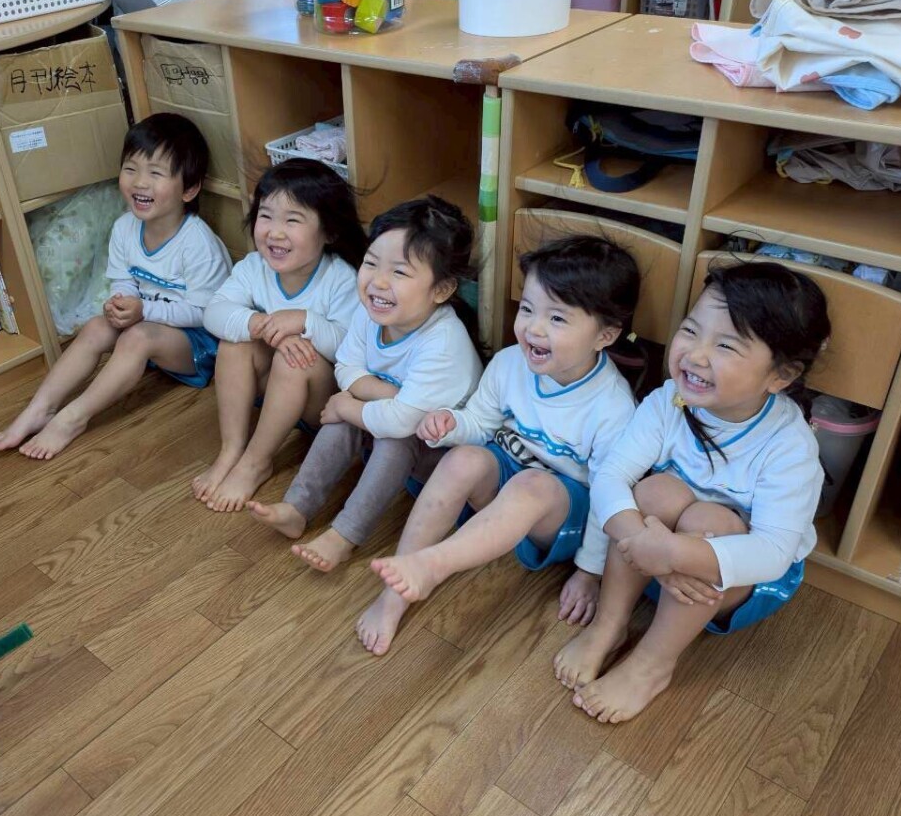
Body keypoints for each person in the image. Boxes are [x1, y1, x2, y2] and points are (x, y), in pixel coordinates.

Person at [557, 260, 830, 724]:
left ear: (780, 375)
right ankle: (609, 624)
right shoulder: (668, 401)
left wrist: (674, 554)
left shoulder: (790, 447)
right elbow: (611, 476)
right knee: (655, 491)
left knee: (711, 522)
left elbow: (772, 553)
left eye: (726, 345)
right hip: (651, 559)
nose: (695, 355)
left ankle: (652, 664)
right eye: (690, 330)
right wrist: (645, 545)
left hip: (743, 581)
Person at [361, 236, 640, 656]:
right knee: (462, 459)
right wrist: (451, 424)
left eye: (557, 318)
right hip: (503, 486)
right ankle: (394, 596)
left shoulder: (613, 408)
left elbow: (609, 499)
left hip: (561, 513)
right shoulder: (510, 362)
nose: (533, 328)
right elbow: (480, 423)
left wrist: (590, 572)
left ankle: (432, 564)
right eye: (527, 309)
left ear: (605, 335)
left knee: (533, 484)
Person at [248, 196, 483, 573]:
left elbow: (402, 423)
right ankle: (297, 508)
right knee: (346, 419)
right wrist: (382, 397)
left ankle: (344, 535)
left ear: (441, 290)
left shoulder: (443, 342)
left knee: (386, 434)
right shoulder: (372, 311)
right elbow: (346, 365)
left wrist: (351, 404)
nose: (378, 281)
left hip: (441, 458)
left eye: (400, 272)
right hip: (397, 421)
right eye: (371, 263)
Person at [0, 113, 230, 459]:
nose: (140, 182)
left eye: (156, 173)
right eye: (131, 169)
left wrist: (143, 311)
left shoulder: (198, 244)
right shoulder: (124, 228)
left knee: (137, 337)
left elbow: (207, 313)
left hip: (200, 346)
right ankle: (40, 408)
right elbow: (124, 279)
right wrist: (122, 302)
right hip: (148, 324)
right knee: (96, 326)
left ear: (190, 189)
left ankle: (73, 418)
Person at [196, 159, 366, 512]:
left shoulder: (341, 279)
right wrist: (263, 325)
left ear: (329, 232)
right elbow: (214, 312)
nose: (274, 232)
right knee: (235, 341)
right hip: (272, 392)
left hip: (322, 405)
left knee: (295, 358)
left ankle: (256, 462)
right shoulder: (253, 267)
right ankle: (231, 449)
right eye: (266, 216)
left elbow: (350, 349)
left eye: (292, 220)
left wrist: (304, 321)